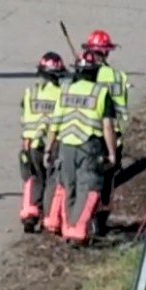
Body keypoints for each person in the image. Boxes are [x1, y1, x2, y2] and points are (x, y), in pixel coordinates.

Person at [46, 50, 119, 245]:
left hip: (65, 147)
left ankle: (67, 227)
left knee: (68, 187)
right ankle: (77, 231)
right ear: (96, 72)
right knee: (89, 188)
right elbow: (108, 127)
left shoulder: (66, 91)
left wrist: (48, 149)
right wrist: (112, 154)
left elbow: (55, 123)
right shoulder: (101, 94)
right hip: (89, 147)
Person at [82, 30, 131, 233]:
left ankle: (81, 218)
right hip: (113, 134)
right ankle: (99, 221)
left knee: (85, 176)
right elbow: (121, 107)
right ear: (107, 53)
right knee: (107, 182)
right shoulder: (118, 77)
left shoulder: (84, 75)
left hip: (88, 133)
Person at [20, 52, 67, 234]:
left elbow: (24, 117)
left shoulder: (30, 92)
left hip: (28, 143)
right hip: (49, 144)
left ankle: (29, 214)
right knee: (52, 181)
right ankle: (50, 218)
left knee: (32, 178)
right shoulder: (61, 94)